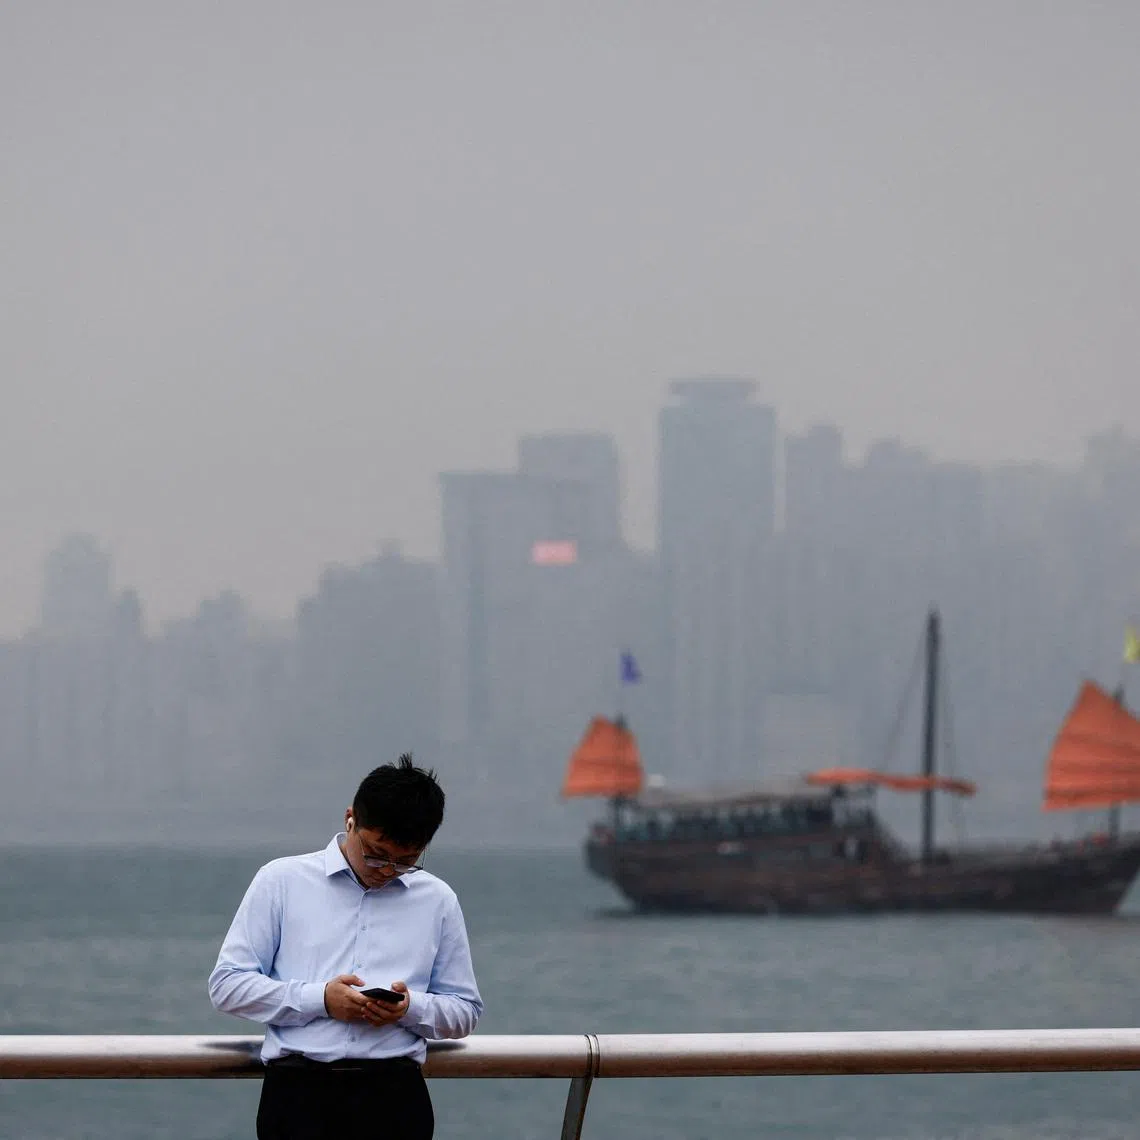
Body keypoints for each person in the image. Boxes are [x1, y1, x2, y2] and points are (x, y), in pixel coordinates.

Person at [209, 754, 482, 1140]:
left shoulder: (438, 899)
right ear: (349, 819)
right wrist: (321, 999)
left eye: (406, 862)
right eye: (375, 853)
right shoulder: (280, 881)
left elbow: (465, 1011)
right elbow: (227, 987)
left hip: (395, 1098)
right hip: (297, 1095)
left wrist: (408, 1009)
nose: (386, 870)